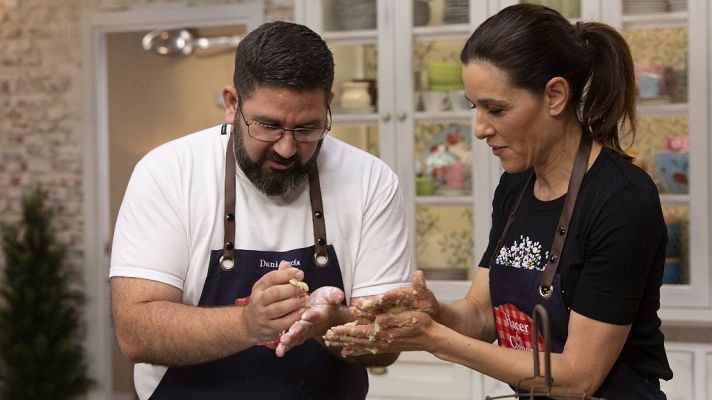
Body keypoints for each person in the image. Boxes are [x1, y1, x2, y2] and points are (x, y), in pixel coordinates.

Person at [324, 4, 672, 399]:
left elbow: (578, 377)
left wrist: (435, 339)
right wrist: (433, 313)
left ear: (555, 95)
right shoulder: (516, 186)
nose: (479, 129)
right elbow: (482, 313)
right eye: (475, 107)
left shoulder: (621, 200)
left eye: (496, 109)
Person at [109, 21, 412, 400]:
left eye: (307, 128)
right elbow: (136, 331)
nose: (286, 148)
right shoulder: (168, 172)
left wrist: (331, 322)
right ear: (232, 104)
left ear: (327, 106)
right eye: (268, 126)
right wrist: (248, 322)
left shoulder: (371, 180)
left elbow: (387, 343)